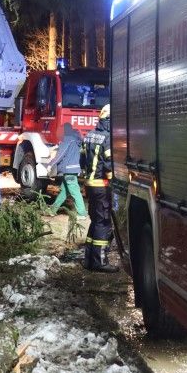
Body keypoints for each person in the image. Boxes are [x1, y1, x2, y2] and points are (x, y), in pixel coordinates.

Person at [82, 104, 117, 272]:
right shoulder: (107, 138)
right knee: (103, 222)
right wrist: (114, 184)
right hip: (102, 186)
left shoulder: (89, 135)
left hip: (90, 184)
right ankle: (100, 262)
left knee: (95, 221)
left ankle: (88, 259)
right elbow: (109, 166)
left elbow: (83, 160)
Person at [46, 124, 86, 238]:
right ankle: (53, 210)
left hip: (68, 169)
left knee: (75, 191)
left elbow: (60, 155)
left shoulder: (67, 140)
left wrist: (50, 164)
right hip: (74, 169)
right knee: (64, 191)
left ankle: (82, 213)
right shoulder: (76, 139)